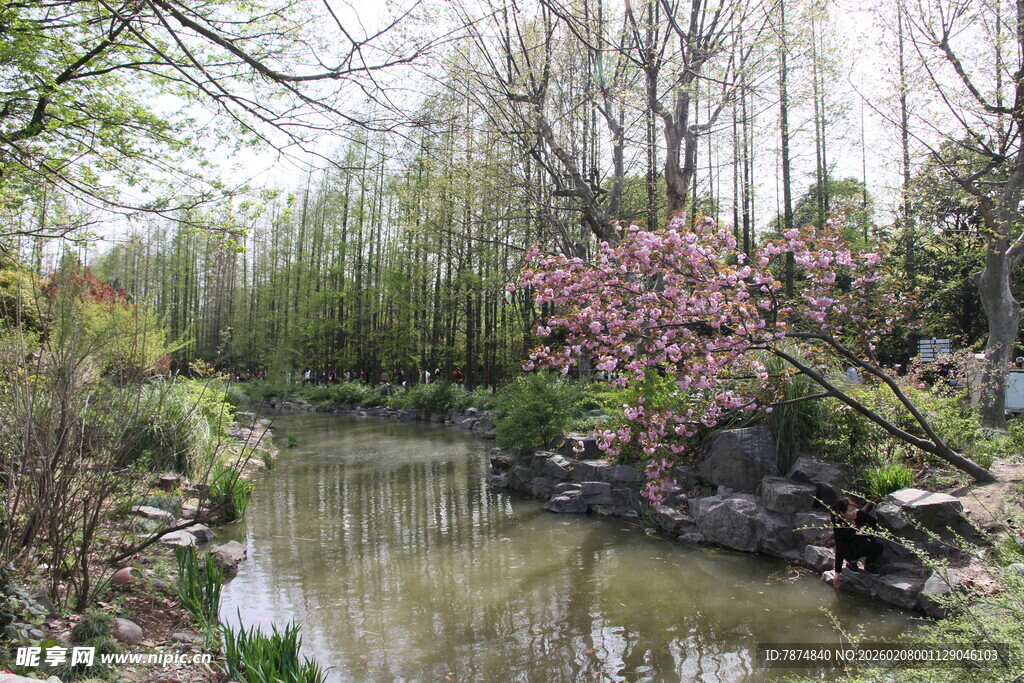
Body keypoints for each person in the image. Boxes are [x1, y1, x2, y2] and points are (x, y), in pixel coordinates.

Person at [831, 497, 883, 588]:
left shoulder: (860, 514)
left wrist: (869, 533)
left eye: (855, 509)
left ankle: (869, 564)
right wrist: (837, 572)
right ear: (843, 513)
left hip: (863, 542)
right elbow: (840, 548)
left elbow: (873, 522)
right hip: (850, 549)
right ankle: (852, 563)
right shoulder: (840, 526)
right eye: (851, 511)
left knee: (878, 546)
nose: (855, 512)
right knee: (857, 542)